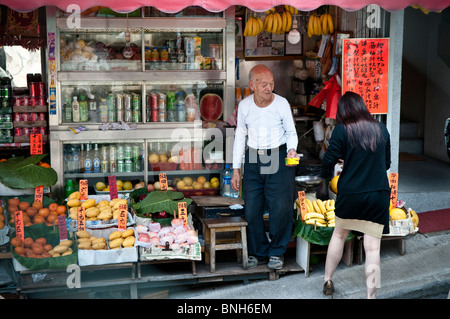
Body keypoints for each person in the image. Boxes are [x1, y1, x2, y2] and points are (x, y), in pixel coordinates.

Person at [320, 91, 391, 299]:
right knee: (373, 248)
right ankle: (371, 296)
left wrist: (324, 181)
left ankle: (327, 279)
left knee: (339, 235)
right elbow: (387, 163)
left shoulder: (342, 130)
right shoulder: (381, 129)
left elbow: (328, 160)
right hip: (378, 195)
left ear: (344, 111)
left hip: (351, 194)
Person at [231, 64, 300, 270]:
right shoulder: (244, 106)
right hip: (253, 157)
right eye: (263, 84)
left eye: (271, 84)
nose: (268, 88)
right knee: (252, 208)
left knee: (280, 207)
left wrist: (292, 149)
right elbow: (239, 136)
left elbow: (291, 132)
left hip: (278, 156)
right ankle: (258, 251)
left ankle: (277, 251)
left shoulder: (281, 103)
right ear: (252, 85)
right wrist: (236, 169)